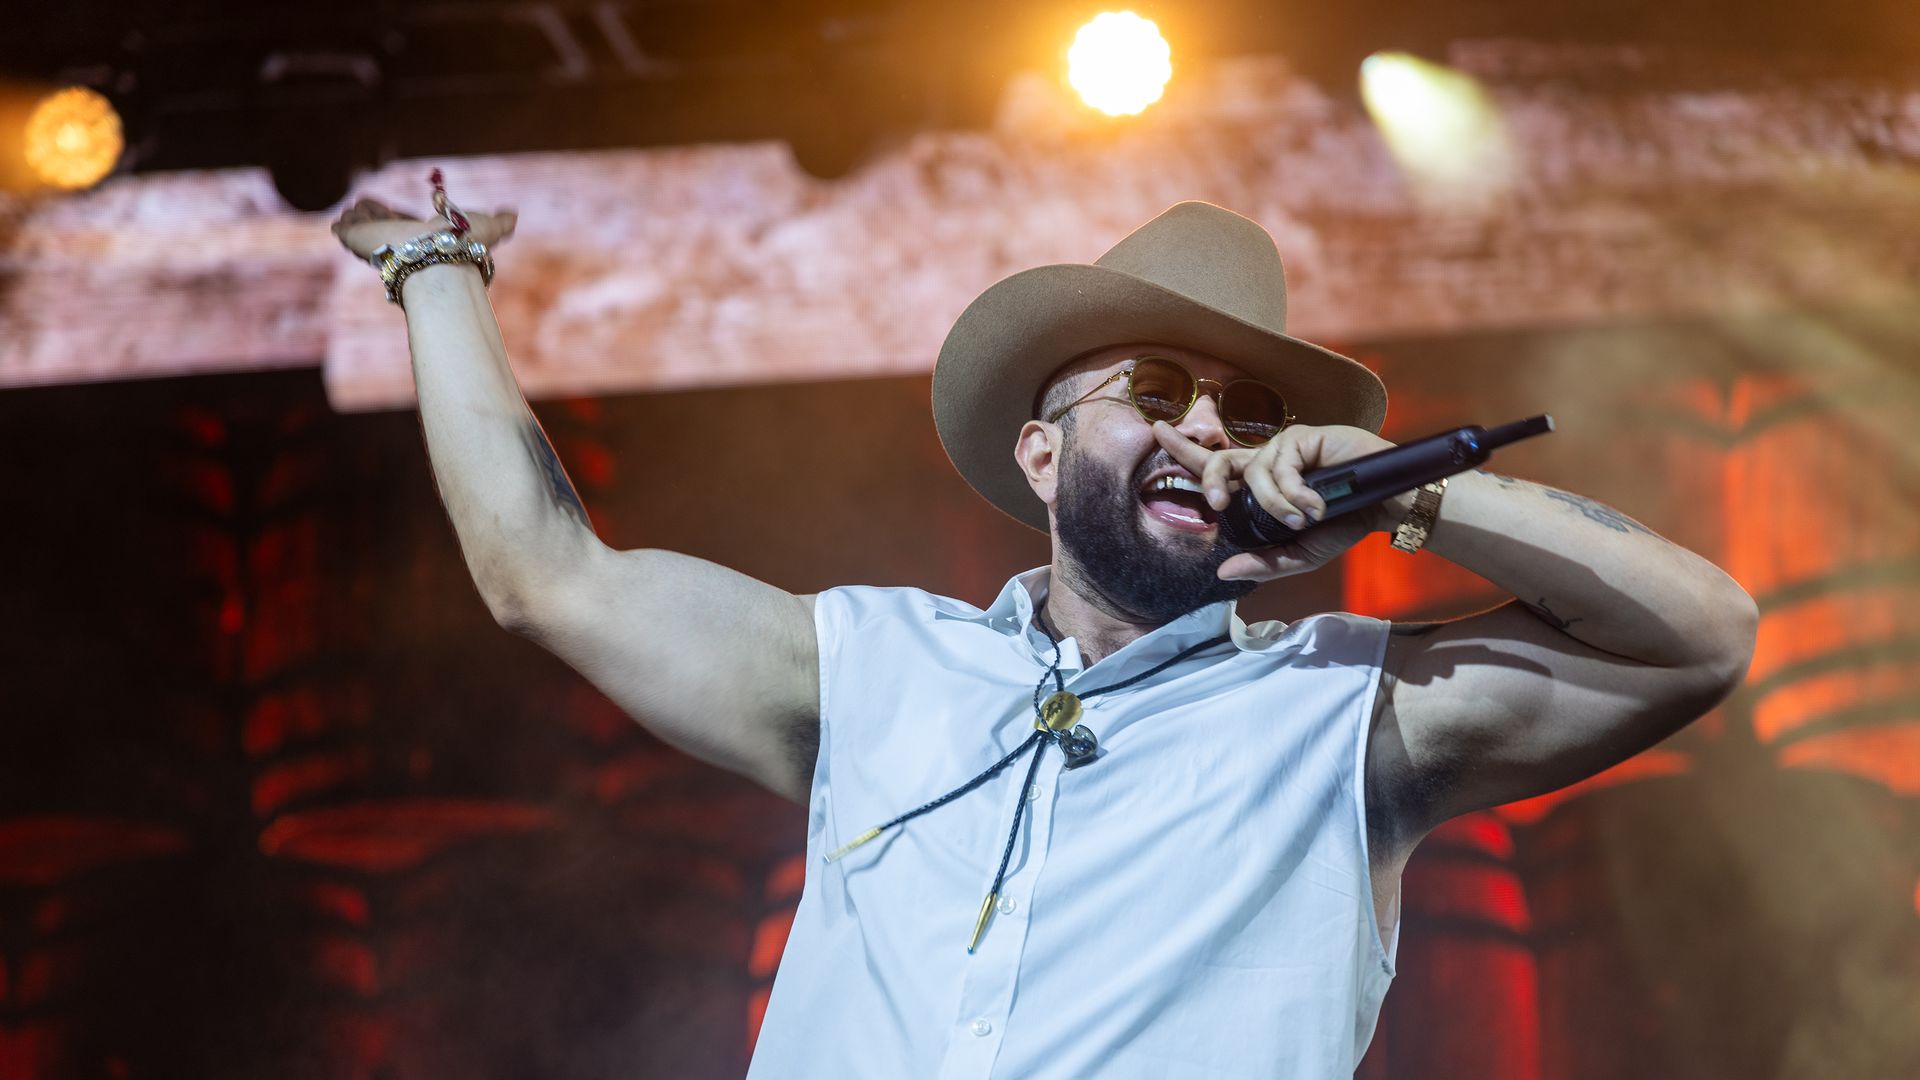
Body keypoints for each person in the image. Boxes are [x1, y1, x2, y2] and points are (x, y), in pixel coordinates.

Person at [331, 194, 1758, 1078]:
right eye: (1155, 385)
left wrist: (1421, 495)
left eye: (1247, 413)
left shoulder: (1343, 720)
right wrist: (438, 274)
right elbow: (545, 575)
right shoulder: (872, 670)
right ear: (1039, 454)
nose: (1209, 427)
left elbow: (1696, 638)